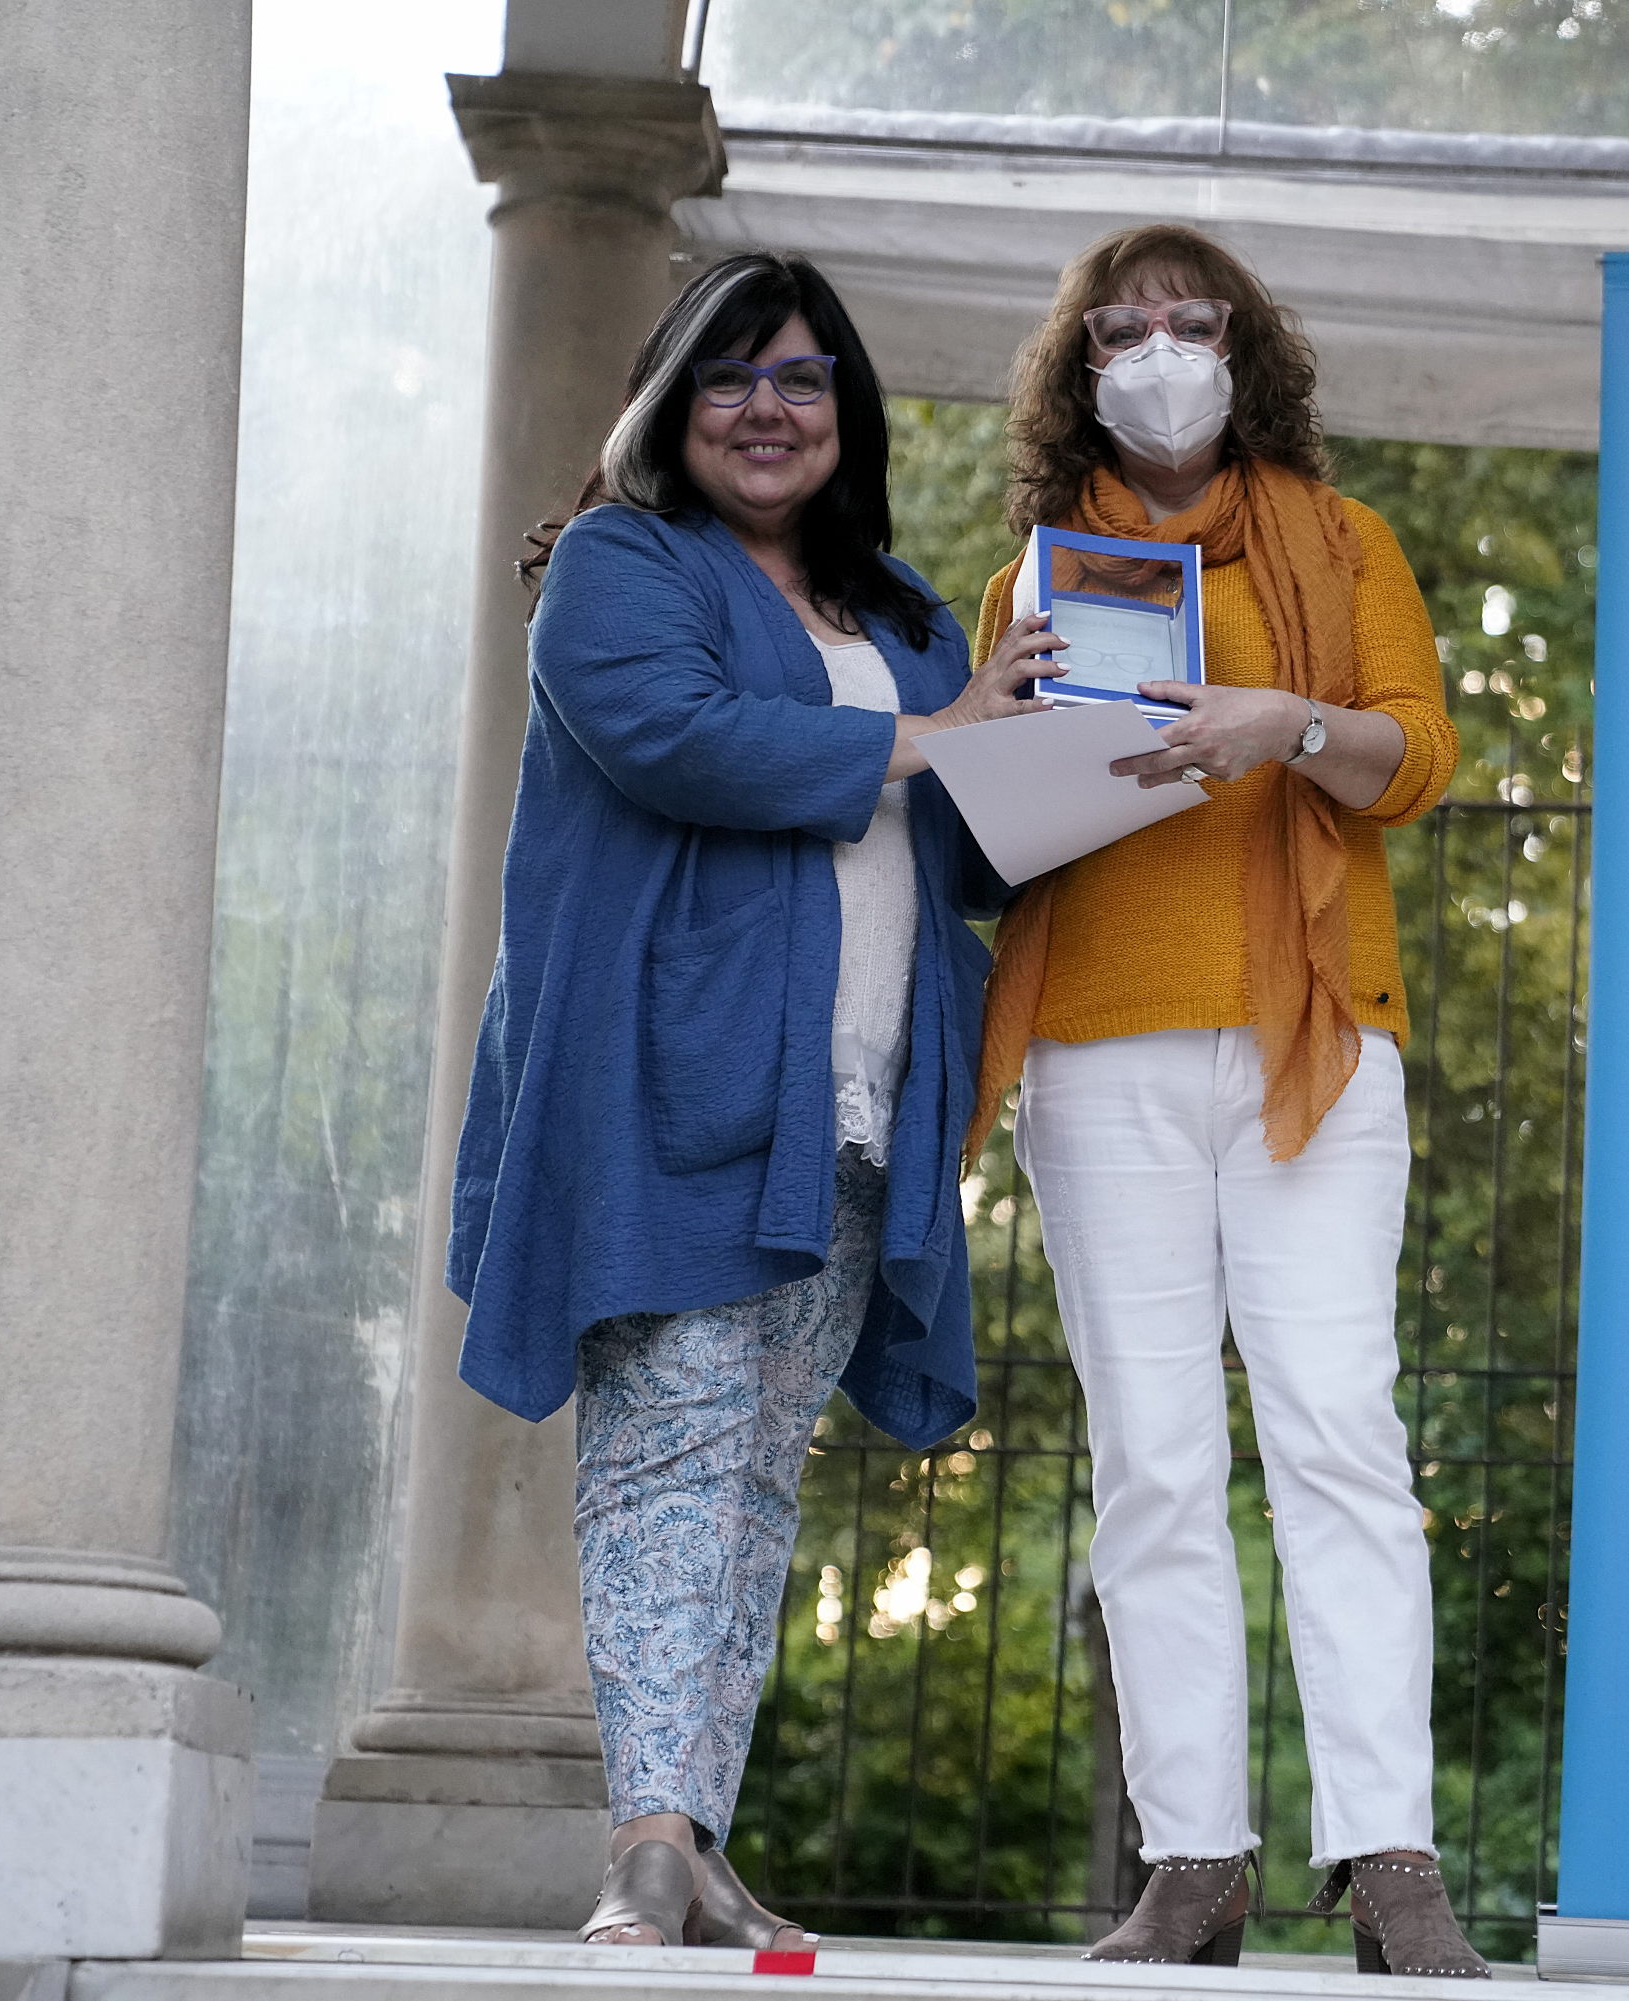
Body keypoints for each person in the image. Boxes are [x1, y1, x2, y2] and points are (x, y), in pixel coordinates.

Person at [447, 250, 1064, 1951]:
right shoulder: (615, 567)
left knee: (756, 1471)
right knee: (670, 1449)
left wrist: (1088, 748)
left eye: (801, 378)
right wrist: (941, 739)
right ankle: (644, 1840)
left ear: (846, 415)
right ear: (667, 400)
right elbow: (679, 737)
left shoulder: (909, 615)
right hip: (670, 1075)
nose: (767, 407)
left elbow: (967, 846)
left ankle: (692, 1831)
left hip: (857, 1101)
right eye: (729, 374)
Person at [969, 223, 1486, 1978]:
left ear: (1247, 351)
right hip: (1096, 1037)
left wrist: (1285, 721)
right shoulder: (1035, 566)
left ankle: (1391, 1855)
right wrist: (1010, 724)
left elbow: (1415, 758)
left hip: (1312, 1039)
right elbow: (987, 807)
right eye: (1123, 329)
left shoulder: (1344, 546)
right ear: (1080, 369)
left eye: (1194, 324)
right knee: (1154, 1463)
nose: (1161, 351)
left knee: (1339, 1430)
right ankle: (1194, 1860)